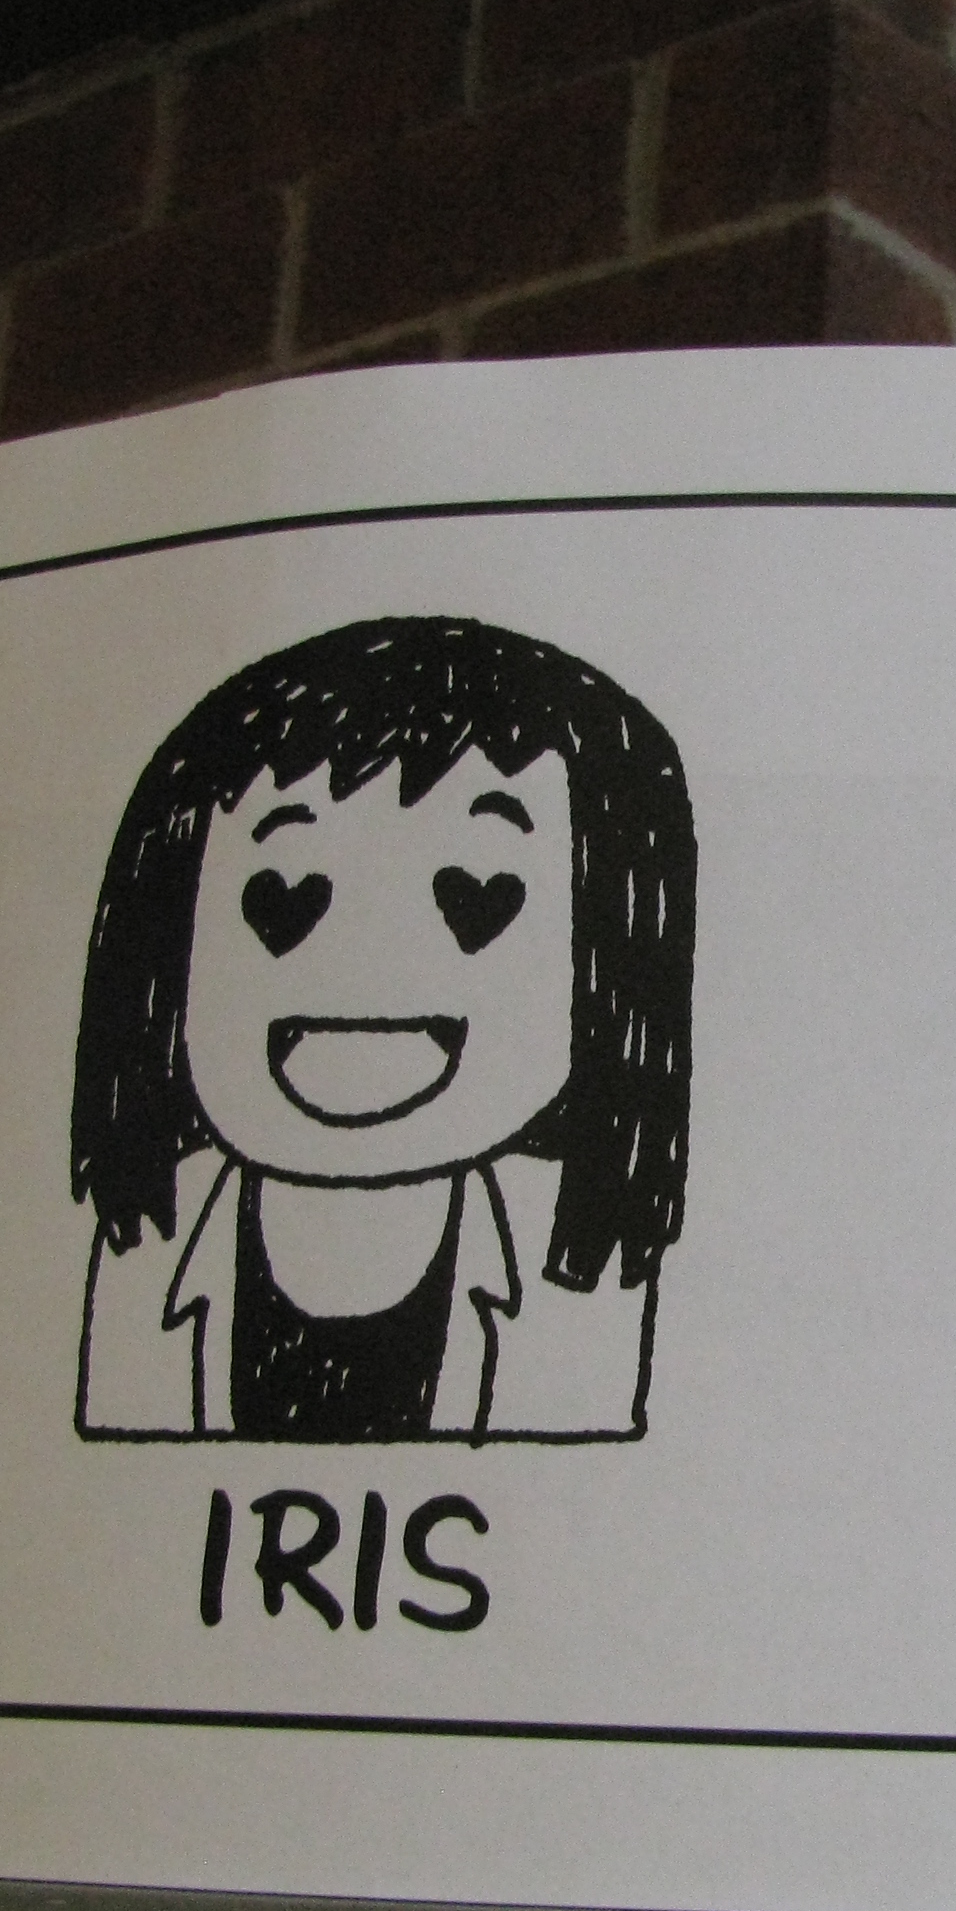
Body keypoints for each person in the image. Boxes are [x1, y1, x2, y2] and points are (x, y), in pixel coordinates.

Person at [73, 616, 695, 1442]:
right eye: (286, 882)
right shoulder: (150, 1245)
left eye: (477, 883)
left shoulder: (579, 1268)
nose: (369, 958)